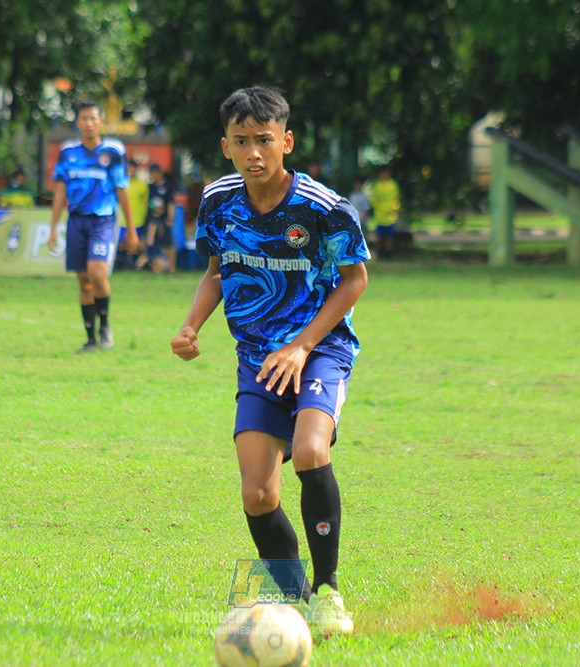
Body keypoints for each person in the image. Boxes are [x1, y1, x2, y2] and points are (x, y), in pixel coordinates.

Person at [170, 86, 369, 637]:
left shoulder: (324, 208)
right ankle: (293, 600)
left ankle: (327, 593)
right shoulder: (218, 201)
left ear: (287, 141)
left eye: (264, 139)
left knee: (309, 451)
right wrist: (191, 326)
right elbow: (216, 271)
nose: (253, 152)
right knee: (257, 494)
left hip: (319, 349)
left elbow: (355, 280)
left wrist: (302, 345)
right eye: (241, 141)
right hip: (258, 358)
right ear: (226, 146)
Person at [48, 101, 138, 352]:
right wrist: (53, 227)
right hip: (76, 220)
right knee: (83, 280)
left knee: (97, 274)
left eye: (93, 118)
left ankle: (105, 327)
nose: (89, 123)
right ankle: (90, 338)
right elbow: (59, 190)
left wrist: (131, 228)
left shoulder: (113, 150)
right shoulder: (67, 152)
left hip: (103, 220)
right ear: (77, 122)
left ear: (101, 122)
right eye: (84, 118)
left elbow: (122, 189)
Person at [143, 164, 175, 273]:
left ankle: (171, 268)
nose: (153, 175)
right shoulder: (150, 187)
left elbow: (171, 203)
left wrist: (170, 218)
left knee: (168, 244)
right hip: (153, 219)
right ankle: (155, 266)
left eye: (155, 173)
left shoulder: (167, 186)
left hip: (164, 219)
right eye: (151, 173)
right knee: (151, 242)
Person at [369, 165, 400, 260]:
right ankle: (378, 254)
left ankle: (388, 255)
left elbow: (396, 198)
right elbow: (373, 199)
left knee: (389, 237)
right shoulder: (376, 185)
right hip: (379, 216)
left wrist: (396, 208)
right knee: (379, 237)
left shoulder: (393, 184)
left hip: (391, 216)